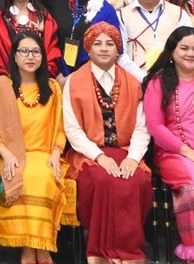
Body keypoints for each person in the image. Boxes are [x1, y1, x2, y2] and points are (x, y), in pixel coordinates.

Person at [63, 22, 152, 264]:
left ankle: (128, 252)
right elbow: (73, 129)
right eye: (97, 44)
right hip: (88, 153)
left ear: (118, 49)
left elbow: (143, 127)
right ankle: (101, 252)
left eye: (110, 44)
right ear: (88, 49)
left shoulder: (133, 82)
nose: (104, 49)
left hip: (125, 151)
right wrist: (99, 156)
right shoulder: (73, 81)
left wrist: (133, 158)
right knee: (101, 179)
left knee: (138, 180)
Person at [0, 31, 67, 263]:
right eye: (24, 51)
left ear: (43, 56)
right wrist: (7, 154)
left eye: (36, 51)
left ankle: (35, 249)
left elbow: (60, 129)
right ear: (15, 56)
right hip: (11, 155)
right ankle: (37, 250)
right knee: (24, 174)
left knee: (43, 176)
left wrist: (56, 153)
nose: (30, 56)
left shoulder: (53, 90)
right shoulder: (2, 89)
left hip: (44, 155)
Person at [143, 27, 194, 263]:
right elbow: (156, 126)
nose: (190, 53)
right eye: (184, 48)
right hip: (174, 153)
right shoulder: (158, 82)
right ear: (172, 52)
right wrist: (187, 152)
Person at [118, 0, 194, 80]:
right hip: (134, 83)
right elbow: (121, 55)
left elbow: (187, 49)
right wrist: (144, 77)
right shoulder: (121, 16)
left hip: (173, 82)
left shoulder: (179, 14)